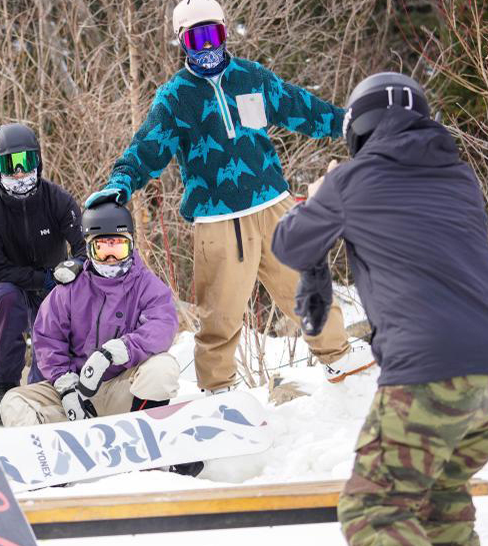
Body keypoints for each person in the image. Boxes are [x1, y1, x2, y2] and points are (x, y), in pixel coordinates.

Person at [271, 72, 488, 545]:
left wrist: (323, 192)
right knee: (441, 501)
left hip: (431, 367)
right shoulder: (459, 179)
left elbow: (288, 242)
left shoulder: (351, 179)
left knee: (374, 509)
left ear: (358, 130)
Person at [82, 0, 374, 393]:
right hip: (219, 220)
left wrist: (345, 123)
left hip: (273, 204)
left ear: (224, 30)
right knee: (220, 313)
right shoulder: (175, 98)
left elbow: (297, 107)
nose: (206, 47)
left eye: (213, 35)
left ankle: (337, 355)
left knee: (305, 284)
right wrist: (121, 182)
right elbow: (147, 149)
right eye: (195, 39)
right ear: (182, 42)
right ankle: (219, 388)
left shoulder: (250, 77)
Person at [0, 203, 199, 474]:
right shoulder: (70, 289)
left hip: (124, 390)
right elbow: (48, 339)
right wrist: (66, 386)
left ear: (131, 244)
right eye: (102, 249)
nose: (111, 259)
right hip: (78, 397)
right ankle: (46, 459)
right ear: (89, 250)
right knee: (13, 401)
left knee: (163, 367)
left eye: (118, 247)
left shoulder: (147, 286)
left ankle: (152, 441)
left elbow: (162, 326)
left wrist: (120, 350)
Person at [0, 123, 87, 423]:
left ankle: (38, 391)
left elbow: (83, 248)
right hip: (14, 286)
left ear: (38, 162)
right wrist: (39, 278)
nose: (18, 173)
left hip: (54, 285)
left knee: (55, 315)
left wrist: (72, 268)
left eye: (25, 163)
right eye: (9, 165)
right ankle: (3, 388)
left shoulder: (57, 199)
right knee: (2, 298)